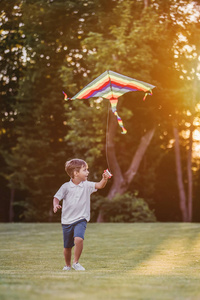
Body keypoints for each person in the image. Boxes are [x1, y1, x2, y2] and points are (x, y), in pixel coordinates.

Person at [53, 158, 110, 271]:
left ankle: (76, 262)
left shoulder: (87, 185)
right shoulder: (66, 187)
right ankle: (67, 265)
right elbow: (56, 197)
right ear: (75, 173)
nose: (87, 172)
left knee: (79, 239)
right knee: (67, 246)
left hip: (81, 218)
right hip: (67, 221)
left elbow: (100, 185)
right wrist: (55, 205)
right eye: (85, 170)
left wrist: (104, 178)